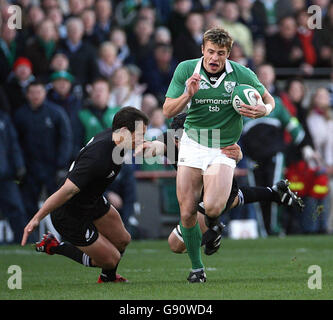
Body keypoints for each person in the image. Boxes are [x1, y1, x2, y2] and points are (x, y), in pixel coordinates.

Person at [162, 27, 276, 282]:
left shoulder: (242, 73)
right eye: (210, 52)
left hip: (223, 148)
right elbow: (168, 110)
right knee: (187, 211)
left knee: (213, 206)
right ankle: (197, 269)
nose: (214, 58)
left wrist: (264, 110)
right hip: (192, 143)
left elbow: (269, 99)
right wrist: (187, 95)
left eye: (220, 53)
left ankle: (213, 226)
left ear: (228, 54)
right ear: (202, 50)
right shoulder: (185, 69)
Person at [136, 113, 304, 255]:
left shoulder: (210, 143)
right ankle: (274, 193)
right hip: (201, 193)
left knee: (176, 244)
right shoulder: (171, 140)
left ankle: (213, 227)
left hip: (217, 192)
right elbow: (157, 146)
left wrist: (237, 155)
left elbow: (234, 154)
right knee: (234, 198)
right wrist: (147, 147)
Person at [21, 107, 149, 283]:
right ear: (125, 131)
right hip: (69, 213)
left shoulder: (117, 141)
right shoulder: (98, 158)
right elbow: (67, 190)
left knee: (123, 239)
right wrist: (37, 218)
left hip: (91, 201)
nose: (143, 139)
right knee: (111, 259)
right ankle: (55, 246)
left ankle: (107, 278)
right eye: (141, 134)